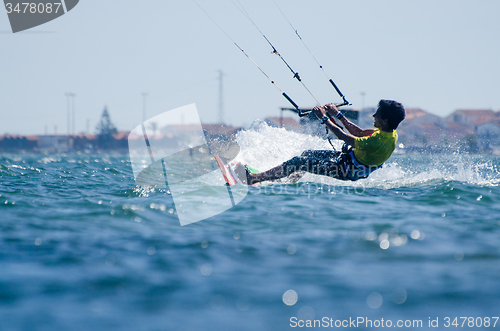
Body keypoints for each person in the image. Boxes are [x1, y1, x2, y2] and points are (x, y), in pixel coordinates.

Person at [239, 99, 405, 184]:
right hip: (347, 160)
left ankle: (254, 179)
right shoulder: (389, 132)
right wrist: (338, 114)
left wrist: (325, 118)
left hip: (346, 170)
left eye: (377, 114)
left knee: (299, 162)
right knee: (307, 155)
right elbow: (359, 132)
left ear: (385, 120)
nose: (373, 116)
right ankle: (287, 180)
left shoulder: (379, 142)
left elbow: (344, 137)